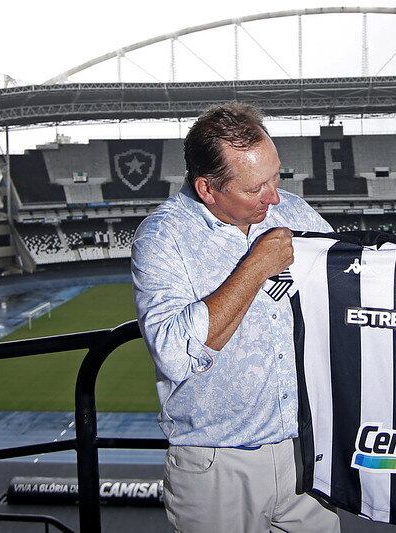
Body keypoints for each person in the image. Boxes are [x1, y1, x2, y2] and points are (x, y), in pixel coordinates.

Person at [131, 102, 339, 533]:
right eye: (255, 188)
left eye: (275, 177)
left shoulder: (292, 212)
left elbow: (358, 272)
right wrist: (255, 266)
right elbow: (173, 352)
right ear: (208, 189)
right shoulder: (162, 236)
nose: (274, 196)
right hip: (218, 465)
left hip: (308, 450)